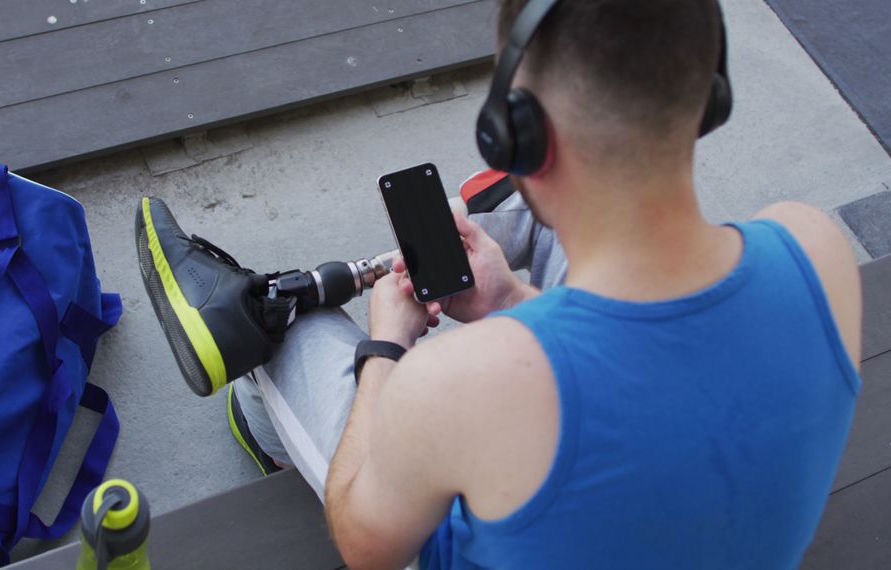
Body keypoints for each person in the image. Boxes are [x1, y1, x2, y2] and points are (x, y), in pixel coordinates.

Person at [134, 0, 863, 567]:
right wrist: (512, 302)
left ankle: (252, 354)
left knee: (302, 333)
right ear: (710, 98)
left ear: (516, 135)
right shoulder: (816, 248)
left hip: (435, 489)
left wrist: (386, 349)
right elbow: (652, 384)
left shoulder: (460, 383)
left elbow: (366, 545)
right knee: (533, 228)